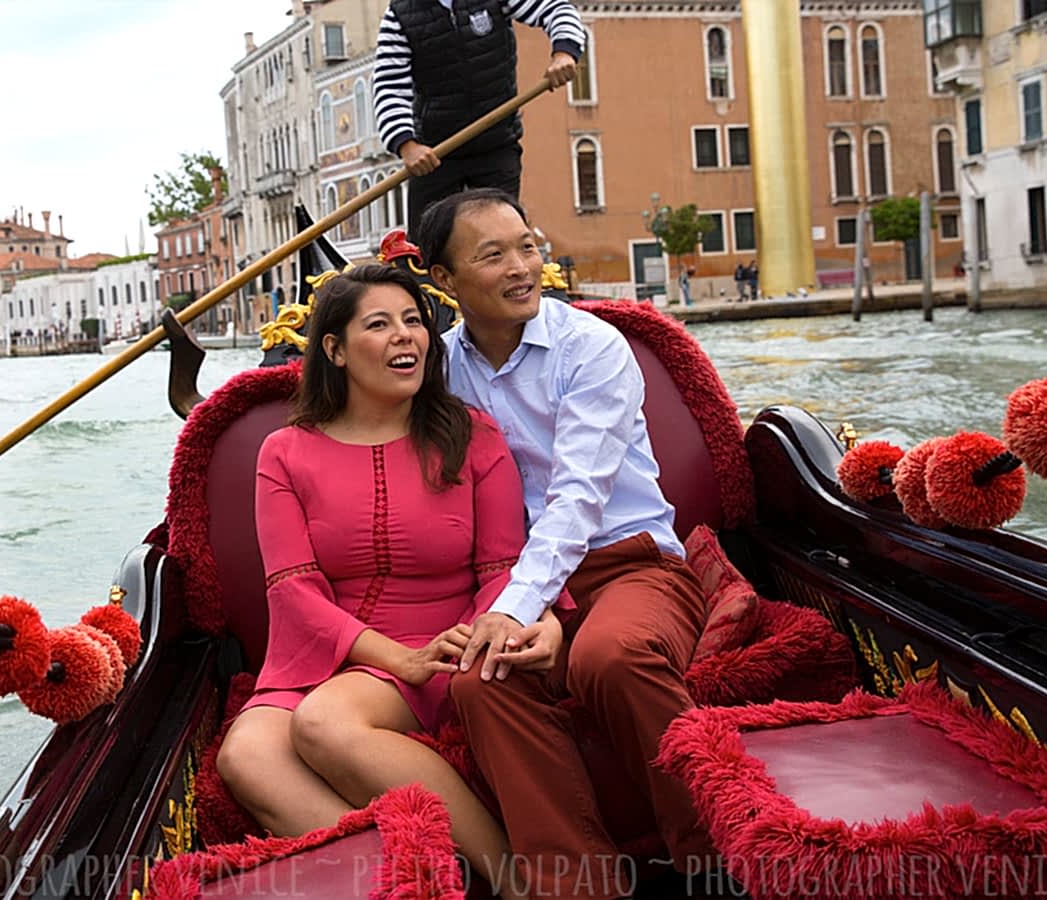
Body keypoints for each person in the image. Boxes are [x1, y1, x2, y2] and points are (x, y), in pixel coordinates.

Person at [217, 265, 561, 900]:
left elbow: (501, 568)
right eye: (379, 325)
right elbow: (292, 588)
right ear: (335, 350)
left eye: (413, 322)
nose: (406, 338)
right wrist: (393, 658)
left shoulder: (473, 436)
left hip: (442, 641)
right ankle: (422, 883)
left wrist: (481, 634)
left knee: (324, 725)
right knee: (246, 756)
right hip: (320, 650)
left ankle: (513, 876)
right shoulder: (285, 452)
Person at [419, 188, 713, 899]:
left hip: (631, 565)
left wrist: (520, 605)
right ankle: (578, 885)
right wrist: (525, 607)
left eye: (528, 246)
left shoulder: (591, 346)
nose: (524, 267)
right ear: (445, 282)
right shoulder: (440, 371)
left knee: (612, 657)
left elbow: (578, 496)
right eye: (494, 255)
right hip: (523, 579)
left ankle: (715, 859)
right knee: (480, 683)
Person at [374, 0, 585, 229]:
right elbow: (390, 87)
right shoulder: (399, 14)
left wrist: (564, 53)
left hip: (497, 144)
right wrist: (407, 145)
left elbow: (557, 10)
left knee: (501, 236)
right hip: (434, 155)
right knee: (425, 249)